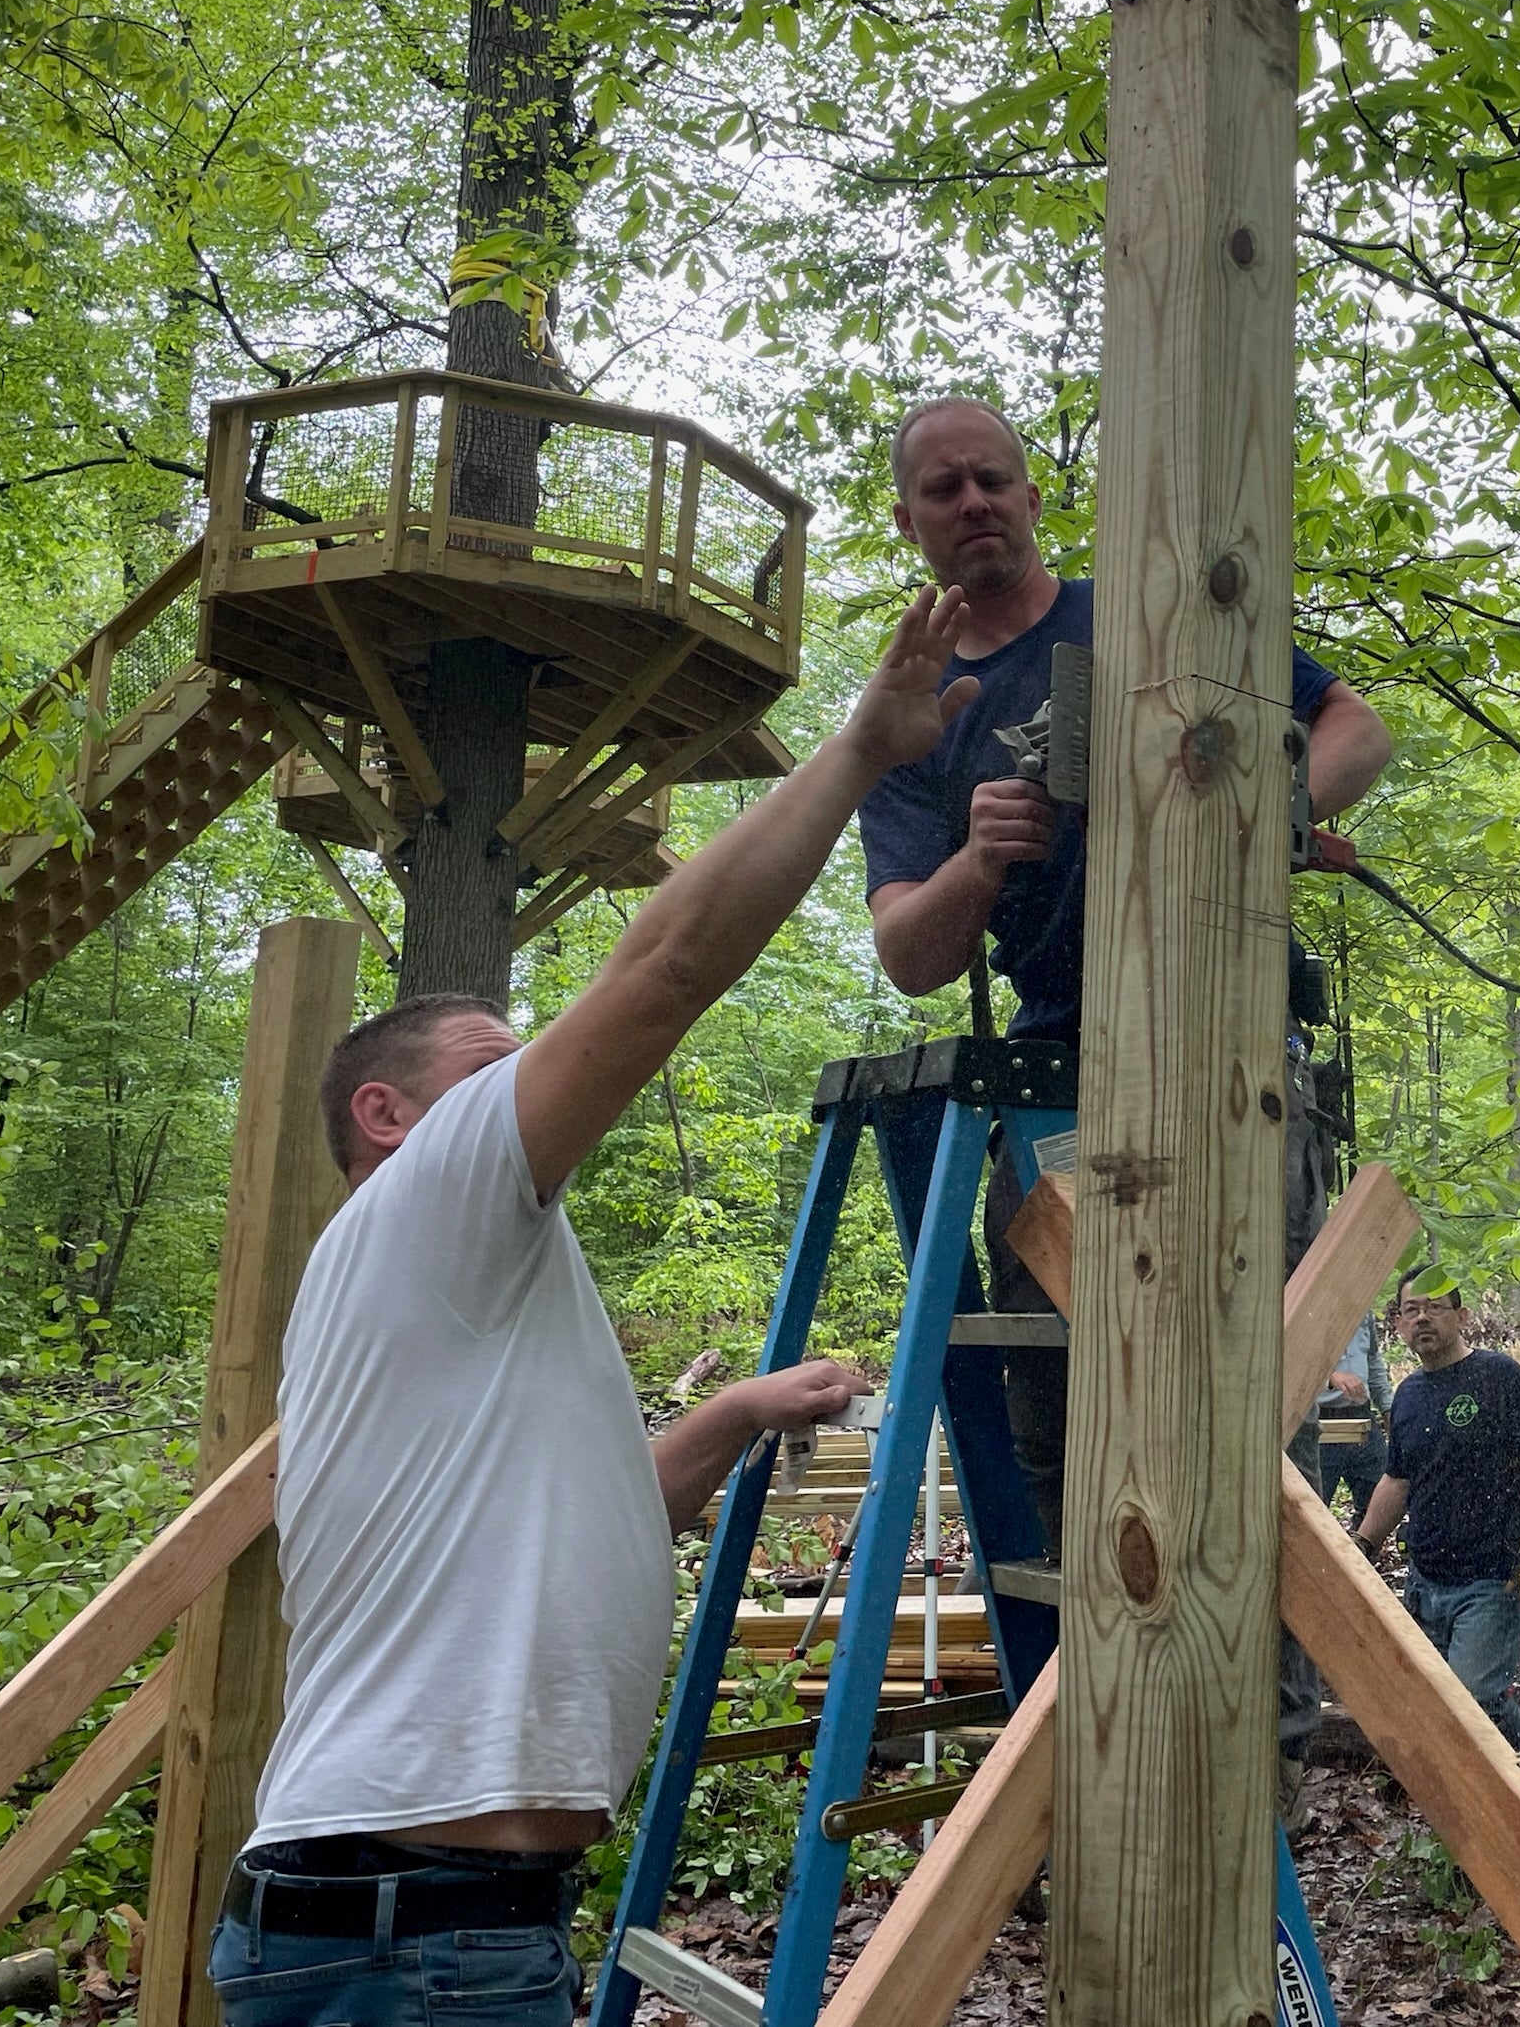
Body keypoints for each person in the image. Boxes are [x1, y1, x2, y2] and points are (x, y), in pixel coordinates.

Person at [207, 591, 980, 2027]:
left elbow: (587, 1517)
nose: (535, 1085)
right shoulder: (428, 1194)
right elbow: (664, 970)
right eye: (496, 1068)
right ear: (390, 1115)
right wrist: (865, 748)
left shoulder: (442, 1286)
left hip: (419, 1927)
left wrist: (737, 1414)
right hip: (416, 1938)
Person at [857, 396, 1394, 1811]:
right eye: (942, 488)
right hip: (1052, 1071)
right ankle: (1079, 1760)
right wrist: (978, 863)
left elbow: (1353, 724)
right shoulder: (922, 713)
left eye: (994, 480)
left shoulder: (1137, 619)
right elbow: (909, 953)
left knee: (1234, 1407)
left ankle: (1244, 1772)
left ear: (1034, 498)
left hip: (1227, 1048)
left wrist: (1261, 817)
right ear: (909, 518)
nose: (973, 502)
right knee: (1057, 1417)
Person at [1354, 1285, 1520, 1787]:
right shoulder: (1408, 1394)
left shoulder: (1497, 1376)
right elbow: (1397, 1479)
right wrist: (1361, 1546)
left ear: (1462, 1315)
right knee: (1429, 1699)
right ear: (1399, 1325)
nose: (1422, 1319)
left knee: (1476, 1696)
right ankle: (1457, 1792)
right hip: (1425, 1579)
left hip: (1490, 1578)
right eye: (1411, 1311)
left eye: (1434, 1308)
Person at [1310, 1311, 1392, 1525]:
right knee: (1313, 1506)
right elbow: (1288, 1358)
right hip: (1318, 1421)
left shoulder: (1363, 1312)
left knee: (1379, 1500)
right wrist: (1328, 1376)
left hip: (1361, 1417)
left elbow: (1373, 1361)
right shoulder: (1307, 1308)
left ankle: (1359, 1551)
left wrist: (1388, 1409)